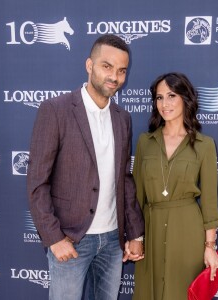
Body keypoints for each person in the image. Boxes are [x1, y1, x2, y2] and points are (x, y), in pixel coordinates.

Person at [27, 34, 144, 300]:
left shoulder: (123, 119)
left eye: (122, 70)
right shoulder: (55, 110)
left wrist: (135, 233)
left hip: (113, 240)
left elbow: (125, 179)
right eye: (107, 66)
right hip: (71, 239)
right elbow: (37, 182)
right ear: (89, 65)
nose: (114, 76)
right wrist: (54, 238)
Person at [132, 72, 218, 300]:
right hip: (150, 230)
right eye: (159, 97)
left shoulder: (205, 145)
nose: (165, 104)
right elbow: (135, 197)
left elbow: (210, 202)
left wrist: (210, 247)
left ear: (185, 98)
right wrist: (135, 237)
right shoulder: (145, 142)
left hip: (187, 232)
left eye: (171, 96)